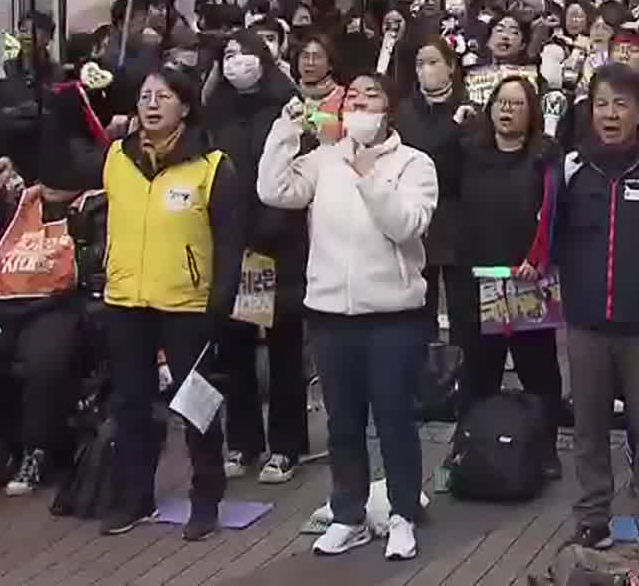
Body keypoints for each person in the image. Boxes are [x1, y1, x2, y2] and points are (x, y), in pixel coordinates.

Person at [258, 73, 439, 560]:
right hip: (330, 313)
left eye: (370, 98)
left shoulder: (415, 164)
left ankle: (402, 512)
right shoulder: (324, 160)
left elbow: (407, 225)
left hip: (393, 316)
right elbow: (276, 189)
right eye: (351, 99)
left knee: (394, 417)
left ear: (389, 109)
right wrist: (285, 132)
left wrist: (367, 174)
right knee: (343, 423)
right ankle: (348, 514)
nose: (359, 106)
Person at [523, 64, 639, 550]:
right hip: (585, 325)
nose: (610, 113)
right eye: (602, 103)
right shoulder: (571, 168)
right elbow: (549, 238)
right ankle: (592, 517)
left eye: (621, 103)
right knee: (589, 430)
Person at [98, 66, 241, 540]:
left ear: (184, 104)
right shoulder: (117, 157)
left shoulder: (211, 165)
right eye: (144, 96)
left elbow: (228, 242)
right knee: (132, 403)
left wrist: (219, 300)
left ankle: (206, 496)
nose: (152, 104)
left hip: (188, 303)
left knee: (196, 404)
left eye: (163, 96)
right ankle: (134, 495)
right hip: (126, 298)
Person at [0, 148, 102, 495]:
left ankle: (39, 449)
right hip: (4, 301)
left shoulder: (97, 205)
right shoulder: (19, 202)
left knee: (45, 357)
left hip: (60, 302)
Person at [204, 31, 308, 485]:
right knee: (234, 346)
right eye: (227, 55)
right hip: (231, 244)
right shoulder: (216, 110)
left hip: (279, 241)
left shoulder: (286, 106)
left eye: (243, 53)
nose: (235, 62)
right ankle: (243, 440)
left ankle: (286, 445)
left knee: (285, 345)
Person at [458, 75, 563, 477]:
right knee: (478, 372)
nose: (506, 110)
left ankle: (545, 449)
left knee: (538, 371)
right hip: (480, 278)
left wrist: (538, 260)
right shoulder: (470, 152)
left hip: (527, 280)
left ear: (531, 112)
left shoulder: (545, 157)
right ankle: (470, 448)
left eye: (517, 104)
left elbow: (552, 215)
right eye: (501, 102)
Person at [395, 37, 475, 360]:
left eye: (433, 62)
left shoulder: (470, 108)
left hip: (458, 218)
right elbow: (421, 150)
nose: (426, 70)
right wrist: (453, 129)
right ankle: (423, 382)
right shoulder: (405, 110)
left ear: (451, 67)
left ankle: (465, 381)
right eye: (420, 64)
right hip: (416, 216)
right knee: (418, 307)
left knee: (462, 309)